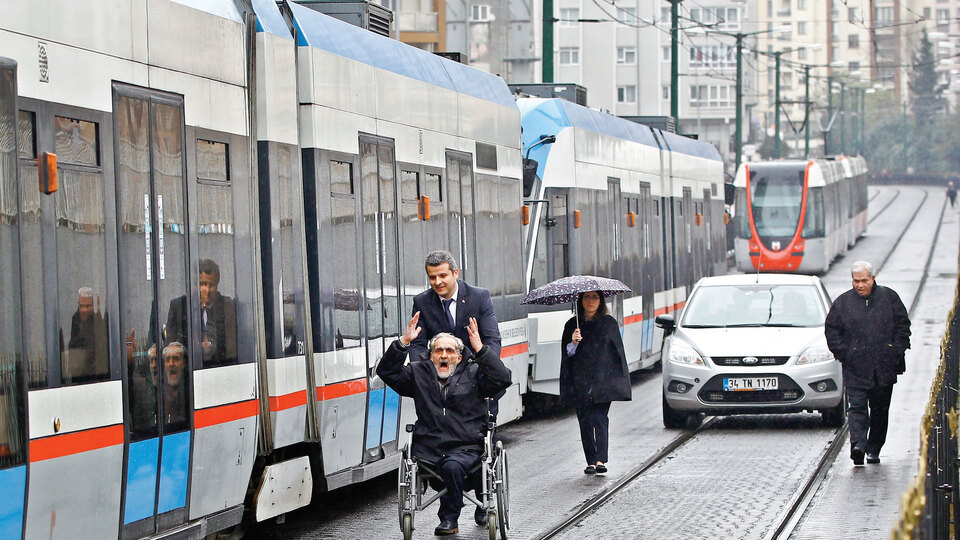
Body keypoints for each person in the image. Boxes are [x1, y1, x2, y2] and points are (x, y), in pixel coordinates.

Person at [377, 313, 511, 536]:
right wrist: (403, 343)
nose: (444, 356)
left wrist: (480, 350)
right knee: (445, 465)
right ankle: (457, 506)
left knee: (452, 466)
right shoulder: (418, 373)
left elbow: (502, 378)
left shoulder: (474, 373)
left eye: (450, 351)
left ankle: (449, 517)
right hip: (430, 447)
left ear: (459, 357)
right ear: (430, 356)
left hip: (466, 446)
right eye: (438, 351)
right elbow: (387, 372)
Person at [408, 250, 503, 526]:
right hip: (439, 385)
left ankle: (485, 498)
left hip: (475, 380)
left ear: (455, 273)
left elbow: (492, 339)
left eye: (442, 275)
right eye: (432, 277)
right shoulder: (422, 302)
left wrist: (481, 367)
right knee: (443, 444)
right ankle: (450, 507)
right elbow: (417, 344)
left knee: (480, 438)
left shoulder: (479, 297)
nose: (437, 282)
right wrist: (425, 371)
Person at [825, 260, 911, 466]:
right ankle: (858, 446)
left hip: (884, 367)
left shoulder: (889, 298)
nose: (860, 285)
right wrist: (845, 354)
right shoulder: (843, 303)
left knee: (880, 410)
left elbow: (903, 326)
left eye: (864, 280)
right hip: (855, 367)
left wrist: (894, 350)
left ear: (873, 279)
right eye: (856, 281)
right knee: (857, 408)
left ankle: (874, 448)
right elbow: (832, 331)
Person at [560, 291, 632, 475]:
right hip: (580, 381)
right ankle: (590, 461)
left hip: (603, 380)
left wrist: (616, 378)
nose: (590, 301)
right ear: (580, 301)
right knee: (584, 420)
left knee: (599, 418)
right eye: (586, 297)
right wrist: (573, 343)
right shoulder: (572, 325)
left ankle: (601, 459)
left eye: (594, 297)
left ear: (600, 301)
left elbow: (616, 352)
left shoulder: (608, 323)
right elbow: (567, 355)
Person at [166, 259, 238, 365]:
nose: (206, 290)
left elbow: (232, 347)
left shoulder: (227, 306)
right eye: (201, 284)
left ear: (217, 285)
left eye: (210, 285)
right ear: (192, 284)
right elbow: (170, 346)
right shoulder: (178, 307)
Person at [66, 287, 109, 382]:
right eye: (81, 306)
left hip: (98, 375)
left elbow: (102, 347)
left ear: (93, 305)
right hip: (78, 375)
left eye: (87, 306)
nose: (84, 310)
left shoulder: (98, 321)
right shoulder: (75, 319)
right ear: (78, 304)